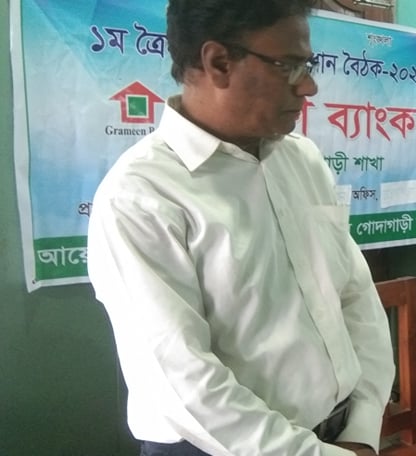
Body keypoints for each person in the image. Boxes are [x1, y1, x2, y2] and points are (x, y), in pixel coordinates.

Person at [86, 1, 393, 455]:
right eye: (288, 66)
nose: (308, 86)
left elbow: (354, 294)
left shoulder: (303, 160)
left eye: (308, 66)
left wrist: (362, 427)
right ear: (218, 62)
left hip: (339, 433)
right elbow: (186, 380)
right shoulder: (141, 196)